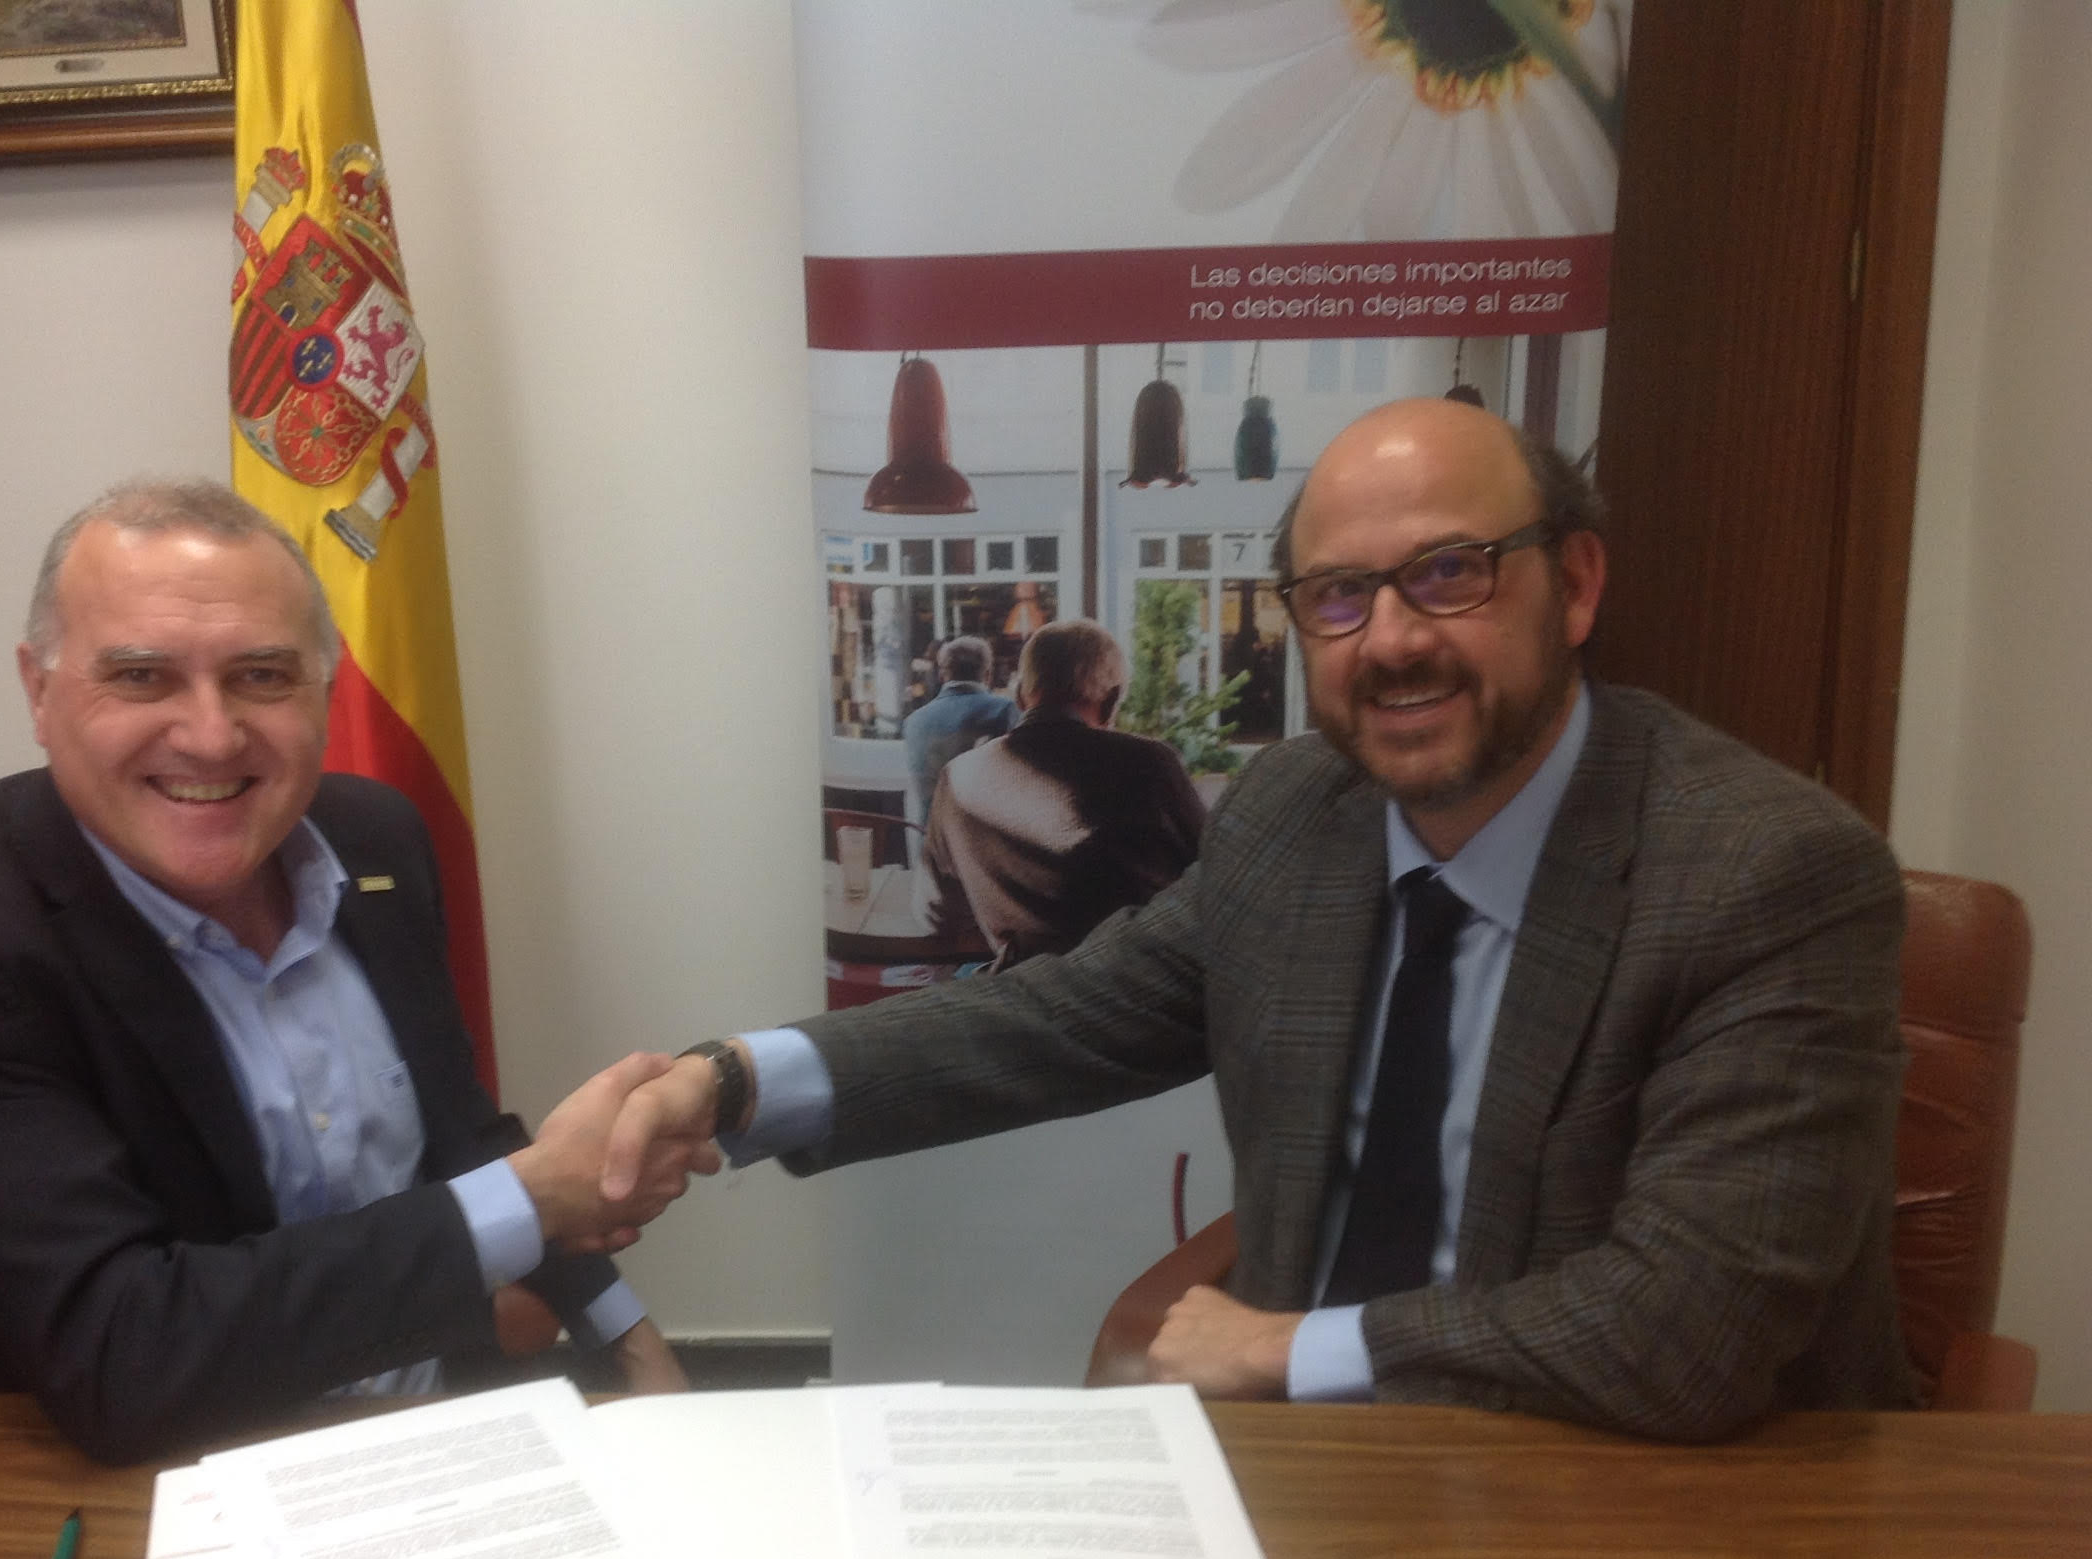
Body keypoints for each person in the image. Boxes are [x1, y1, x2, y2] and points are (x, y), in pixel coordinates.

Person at [604, 398, 1916, 1442]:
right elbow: (1060, 1016)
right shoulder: (1302, 810)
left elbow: (1686, 1333)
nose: (1391, 640)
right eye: (1339, 596)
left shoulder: (1771, 876)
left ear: (1573, 586)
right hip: (1322, 1475)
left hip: (1651, 1505)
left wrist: (1286, 1348)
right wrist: (727, 1085)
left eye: (1449, 573)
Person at [0, 481, 686, 1465]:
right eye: (143, 677)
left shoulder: (376, 839)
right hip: (149, 1489)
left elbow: (456, 1136)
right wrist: (531, 1200)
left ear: (324, 686)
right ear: (38, 691)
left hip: (436, 1439)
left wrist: (627, 1338)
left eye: (263, 676)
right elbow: (123, 1351)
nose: (212, 734)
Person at [917, 619, 1206, 968]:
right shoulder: (1150, 764)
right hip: (1138, 993)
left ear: (1021, 695)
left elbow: (939, 915)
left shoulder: (957, 778)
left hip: (1024, 997)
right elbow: (1216, 878)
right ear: (1113, 700)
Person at [901, 636, 1018, 839]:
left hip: (929, 848)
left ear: (942, 675)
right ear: (988, 674)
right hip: (984, 849)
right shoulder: (1004, 710)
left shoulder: (913, 722)